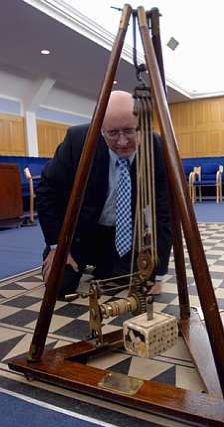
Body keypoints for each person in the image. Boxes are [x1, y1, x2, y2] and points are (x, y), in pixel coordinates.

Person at [37, 90, 172, 298]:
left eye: (129, 131)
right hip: (79, 235)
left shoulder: (157, 147)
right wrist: (57, 246)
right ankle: (87, 263)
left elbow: (165, 213)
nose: (122, 142)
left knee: (122, 283)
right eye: (113, 133)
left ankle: (108, 266)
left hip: (124, 236)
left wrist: (159, 273)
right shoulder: (78, 140)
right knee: (58, 286)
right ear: (100, 130)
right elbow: (47, 190)